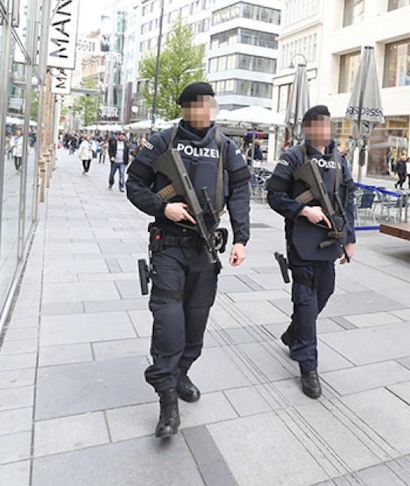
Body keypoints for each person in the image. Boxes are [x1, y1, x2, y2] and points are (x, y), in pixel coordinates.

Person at [125, 81, 251, 439]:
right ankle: (167, 401)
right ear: (184, 108)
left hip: (205, 249)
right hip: (169, 246)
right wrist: (164, 206)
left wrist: (241, 237)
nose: (206, 110)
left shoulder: (226, 146)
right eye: (198, 104)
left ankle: (182, 372)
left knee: (195, 323)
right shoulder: (163, 141)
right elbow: (134, 184)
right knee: (168, 322)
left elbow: (240, 189)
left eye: (210, 103)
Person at [267, 105, 356, 399]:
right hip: (302, 240)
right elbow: (274, 195)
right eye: (318, 125)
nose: (325, 131)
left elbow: (348, 200)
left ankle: (294, 334)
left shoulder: (339, 160)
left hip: (331, 239)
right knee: (305, 299)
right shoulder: (293, 157)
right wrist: (304, 210)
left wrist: (349, 238)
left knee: (325, 292)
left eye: (328, 125)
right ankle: (308, 365)